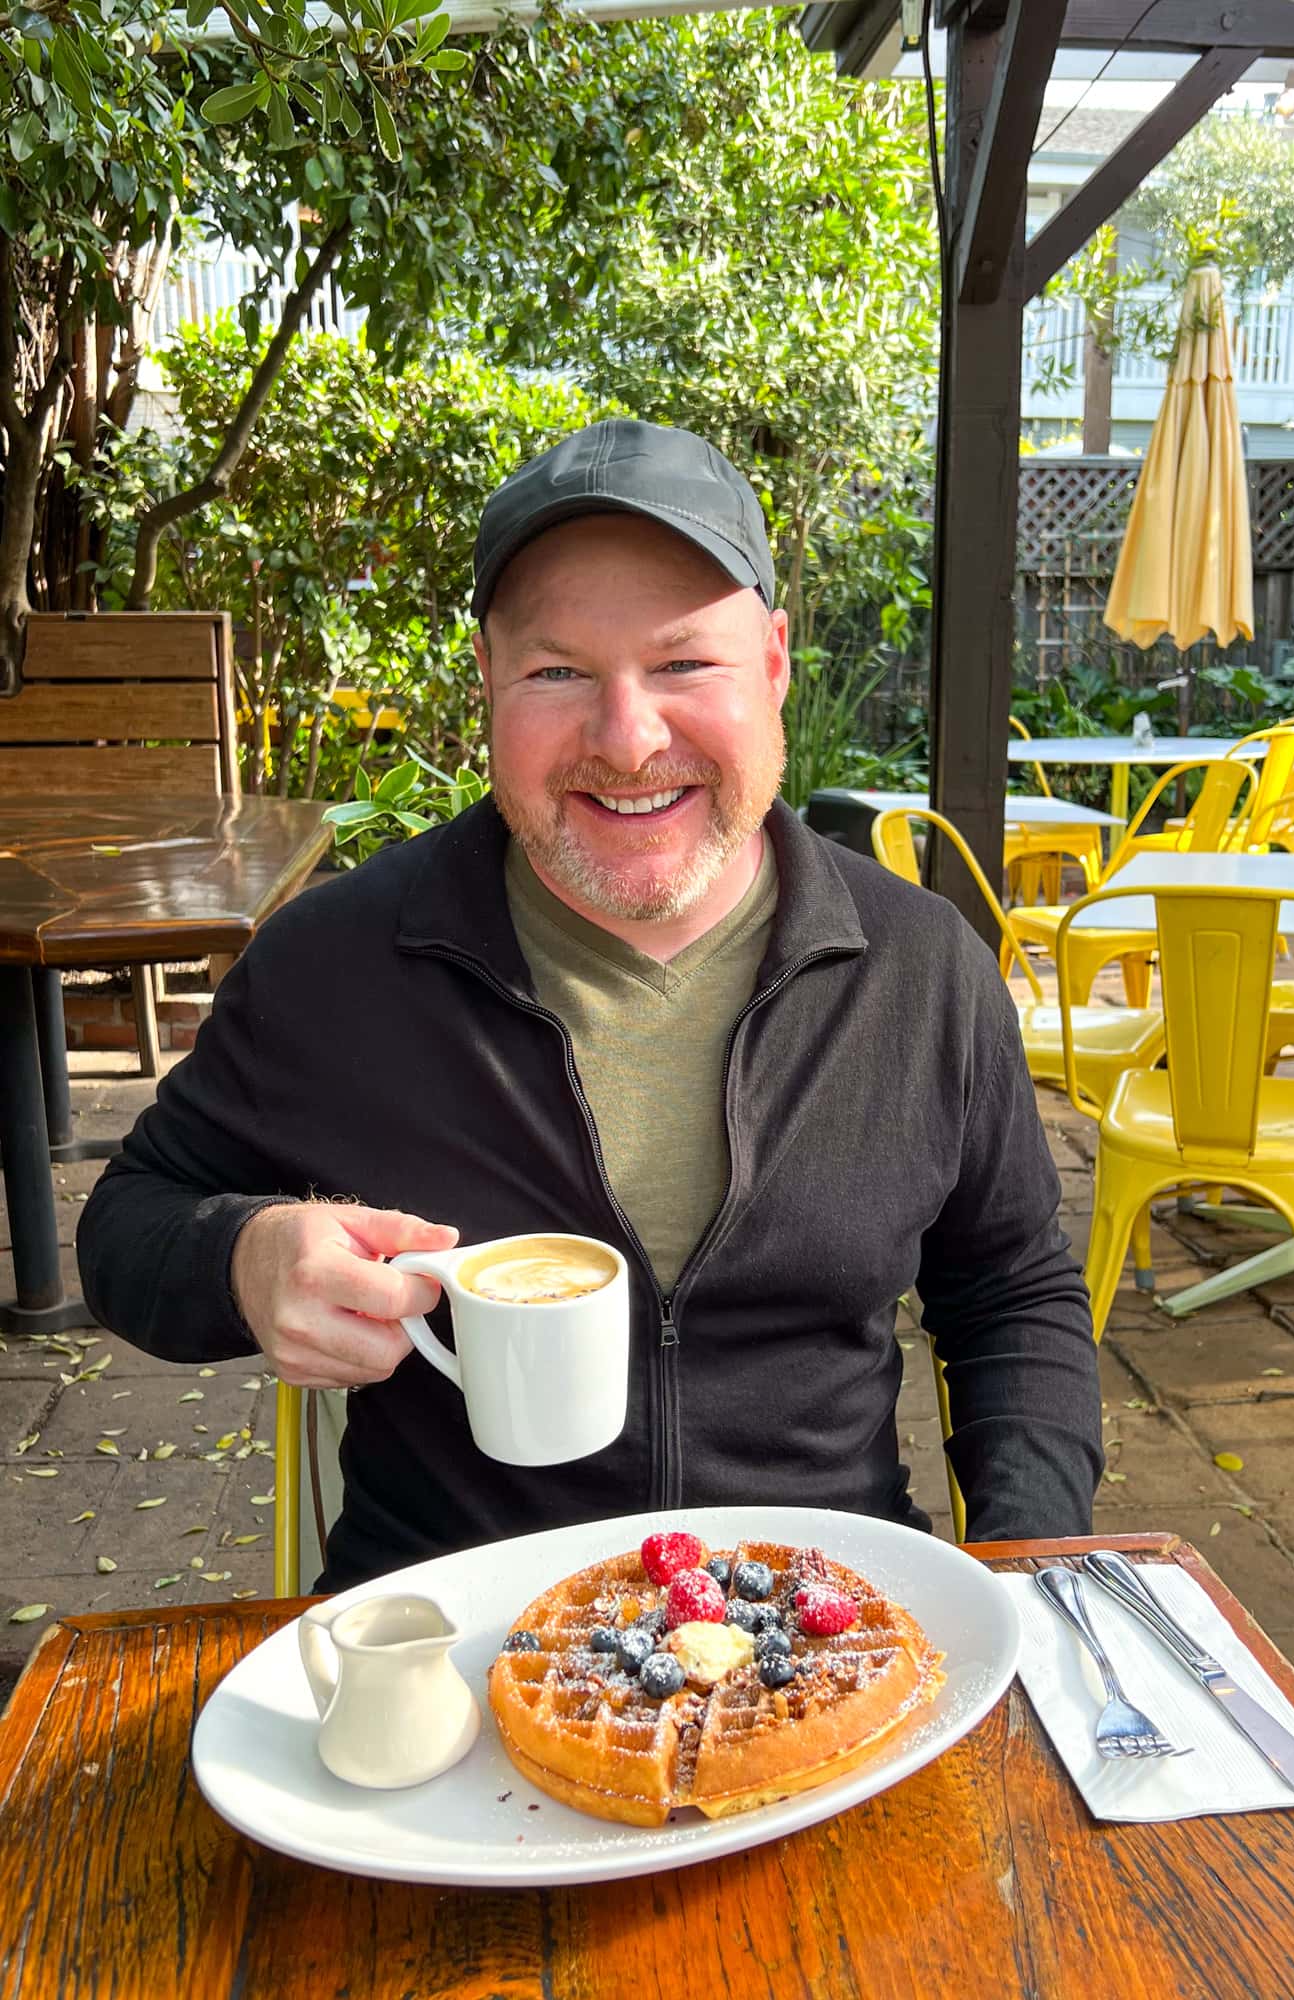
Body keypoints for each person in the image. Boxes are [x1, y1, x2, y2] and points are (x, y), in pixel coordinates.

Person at [78, 418, 1102, 1588]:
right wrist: (246, 1259)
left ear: (771, 664)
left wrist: (1031, 1570)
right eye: (558, 670)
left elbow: (1014, 1293)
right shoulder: (337, 964)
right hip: (455, 1641)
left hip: (828, 1634)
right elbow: (124, 1222)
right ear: (488, 681)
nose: (628, 738)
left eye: (683, 664)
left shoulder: (924, 971)